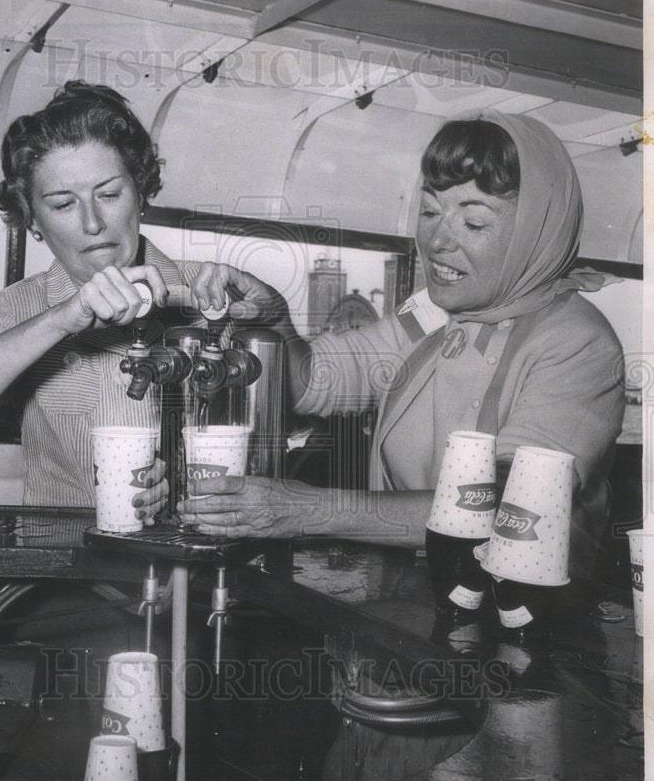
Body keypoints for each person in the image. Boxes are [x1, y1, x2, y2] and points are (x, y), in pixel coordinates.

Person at [180, 110, 626, 581]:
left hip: (522, 619)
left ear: (538, 233)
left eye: (473, 223)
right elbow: (316, 380)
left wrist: (304, 508)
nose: (436, 241)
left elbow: (505, 511)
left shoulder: (577, 344)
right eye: (431, 212)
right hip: (410, 594)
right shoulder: (434, 313)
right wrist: (275, 322)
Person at [0, 80, 208, 518]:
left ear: (141, 193)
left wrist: (183, 480)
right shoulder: (17, 308)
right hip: (66, 571)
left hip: (199, 574)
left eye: (108, 194)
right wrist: (60, 320)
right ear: (33, 221)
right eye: (63, 204)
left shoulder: (207, 294)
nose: (93, 223)